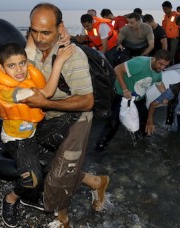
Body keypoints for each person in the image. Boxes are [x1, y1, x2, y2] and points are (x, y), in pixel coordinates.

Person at [21, 3, 110, 227]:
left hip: (76, 118)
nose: (40, 38)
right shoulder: (32, 47)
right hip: (48, 117)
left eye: (46, 32)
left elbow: (87, 101)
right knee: (49, 164)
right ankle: (97, 182)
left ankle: (63, 219)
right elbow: (32, 38)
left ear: (59, 28)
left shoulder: (72, 56)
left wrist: (45, 101)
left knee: (61, 172)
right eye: (35, 31)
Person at [0, 42, 75, 228]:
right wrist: (59, 62)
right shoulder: (7, 91)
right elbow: (46, 93)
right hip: (16, 139)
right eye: (11, 66)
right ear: (2, 68)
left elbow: (29, 49)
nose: (19, 69)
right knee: (32, 178)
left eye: (22, 63)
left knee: (57, 156)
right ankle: (11, 199)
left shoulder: (27, 73)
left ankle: (29, 199)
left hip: (33, 131)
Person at [95, 49, 171, 152]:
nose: (162, 68)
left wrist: (166, 96)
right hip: (121, 96)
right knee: (113, 123)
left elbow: (159, 83)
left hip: (140, 98)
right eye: (160, 64)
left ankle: (143, 146)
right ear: (154, 59)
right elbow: (117, 69)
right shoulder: (140, 63)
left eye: (165, 66)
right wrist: (125, 89)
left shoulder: (158, 72)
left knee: (144, 121)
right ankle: (100, 148)